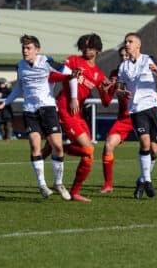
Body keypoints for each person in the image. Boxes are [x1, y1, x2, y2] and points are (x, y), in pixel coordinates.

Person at [0, 34, 78, 200]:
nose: (25, 51)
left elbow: (72, 74)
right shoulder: (20, 66)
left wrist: (74, 97)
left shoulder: (47, 62)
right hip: (30, 111)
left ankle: (58, 183)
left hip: (48, 109)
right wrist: (6, 102)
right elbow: (19, 87)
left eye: (28, 48)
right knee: (34, 146)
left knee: (58, 147)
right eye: (23, 48)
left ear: (37, 50)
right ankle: (42, 184)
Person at [100, 47, 157, 195]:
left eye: (126, 54)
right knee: (108, 145)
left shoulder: (141, 67)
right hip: (124, 119)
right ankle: (108, 184)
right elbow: (106, 102)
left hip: (141, 114)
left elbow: (152, 94)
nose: (124, 57)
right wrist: (105, 90)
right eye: (121, 55)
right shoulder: (116, 74)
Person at [41, 33, 112, 202]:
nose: (87, 49)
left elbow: (106, 102)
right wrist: (70, 75)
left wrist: (111, 89)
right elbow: (52, 76)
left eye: (91, 46)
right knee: (88, 149)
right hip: (65, 109)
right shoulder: (73, 60)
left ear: (98, 49)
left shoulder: (99, 75)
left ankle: (75, 191)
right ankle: (57, 149)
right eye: (84, 46)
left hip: (78, 115)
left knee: (89, 155)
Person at [116, 32, 157, 199]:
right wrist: (122, 93)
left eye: (130, 41)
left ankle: (140, 182)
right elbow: (118, 90)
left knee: (154, 149)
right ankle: (147, 181)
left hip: (153, 108)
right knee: (145, 143)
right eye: (126, 41)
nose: (127, 44)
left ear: (138, 45)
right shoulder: (123, 66)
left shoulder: (149, 59)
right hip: (137, 110)